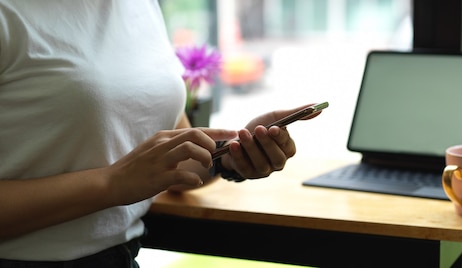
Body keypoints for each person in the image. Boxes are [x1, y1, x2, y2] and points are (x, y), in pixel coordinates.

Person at [0, 1, 320, 267]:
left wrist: (231, 155)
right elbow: (125, 178)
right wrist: (112, 183)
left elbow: (174, 154)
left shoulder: (139, 6)